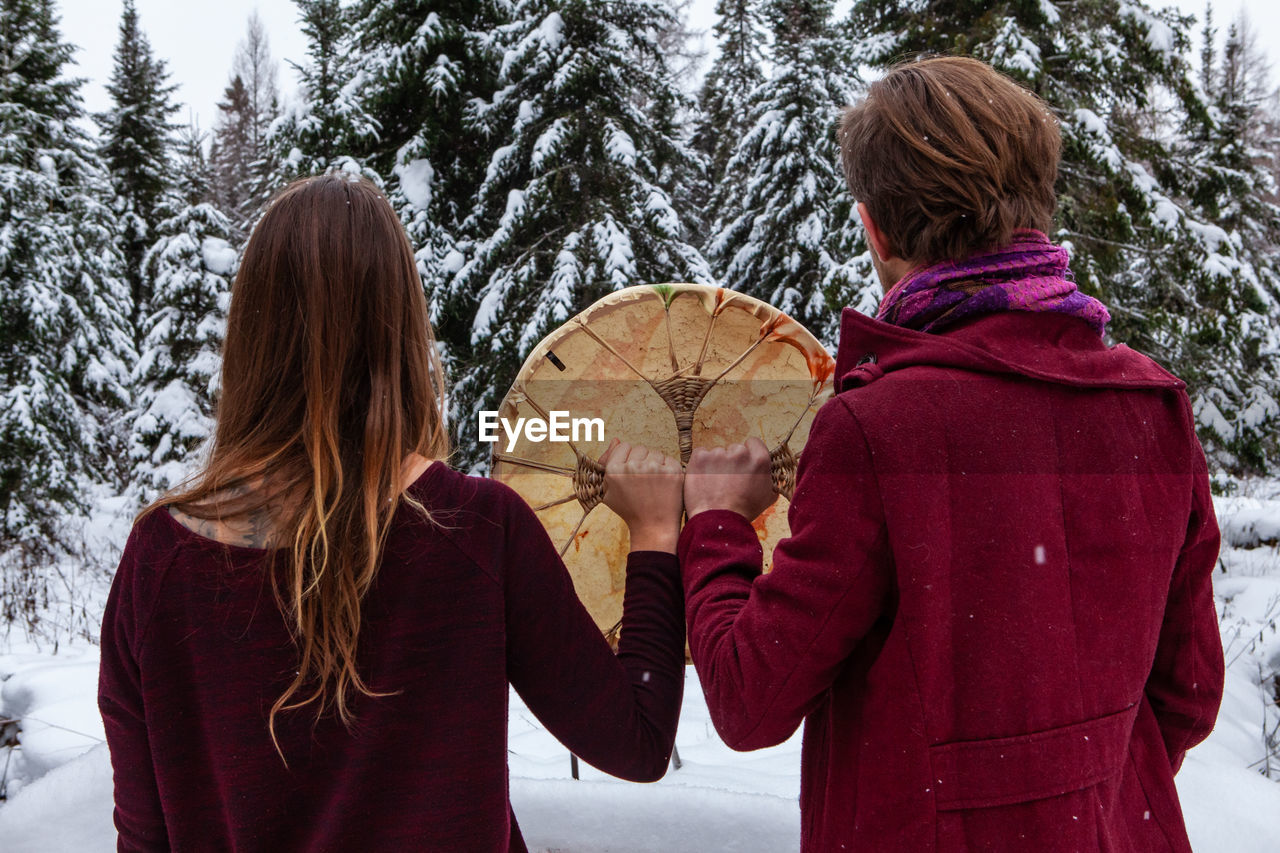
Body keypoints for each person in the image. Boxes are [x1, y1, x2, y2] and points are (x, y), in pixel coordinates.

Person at [664, 57, 1224, 850]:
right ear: (1038, 203)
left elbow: (750, 700)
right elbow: (1190, 693)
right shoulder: (1151, 405)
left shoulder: (879, 427)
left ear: (875, 229)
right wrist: (1073, 787)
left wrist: (717, 519)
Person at [97, 174, 687, 851]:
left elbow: (144, 839)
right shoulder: (475, 530)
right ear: (400, 328)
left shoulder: (159, 558)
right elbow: (638, 740)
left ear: (251, 337)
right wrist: (653, 533)